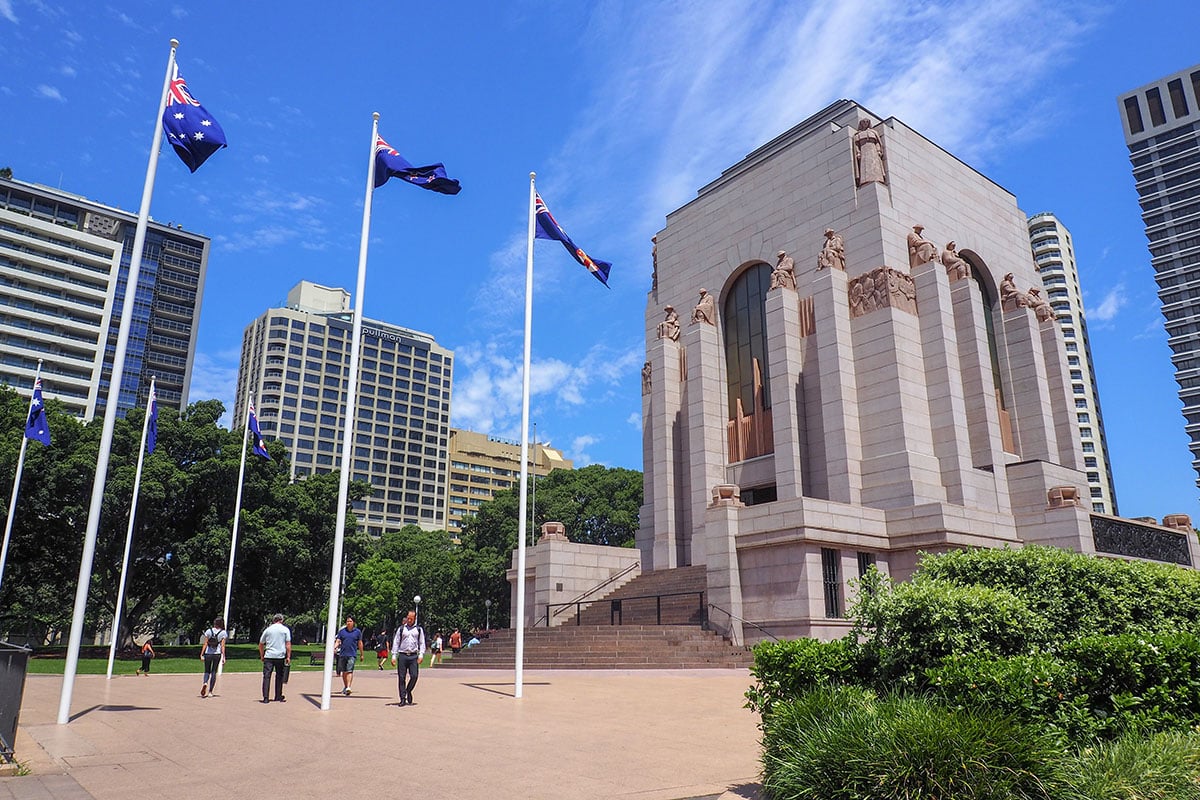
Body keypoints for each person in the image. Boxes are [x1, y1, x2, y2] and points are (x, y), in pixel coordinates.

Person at [391, 611, 425, 706]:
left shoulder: (418, 629)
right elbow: (396, 642)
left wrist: (421, 654)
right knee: (401, 677)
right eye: (408, 618)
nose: (409, 620)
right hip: (402, 655)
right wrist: (394, 655)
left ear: (415, 618)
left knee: (414, 676)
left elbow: (422, 643)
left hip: (413, 656)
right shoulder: (401, 629)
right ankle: (402, 698)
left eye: (411, 618)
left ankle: (408, 690)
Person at [257, 613, 291, 703]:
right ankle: (278, 695)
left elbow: (261, 644)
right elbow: (288, 644)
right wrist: (288, 656)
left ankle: (265, 697)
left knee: (267, 676)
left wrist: (262, 655)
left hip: (269, 655)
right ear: (282, 620)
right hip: (280, 655)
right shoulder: (285, 630)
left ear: (273, 620)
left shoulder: (268, 630)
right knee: (279, 676)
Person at [334, 616, 364, 696]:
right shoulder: (342, 632)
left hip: (352, 654)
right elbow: (338, 640)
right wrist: (335, 647)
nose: (348, 623)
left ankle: (348, 687)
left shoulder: (357, 632)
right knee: (344, 672)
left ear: (353, 622)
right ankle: (345, 686)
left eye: (350, 621)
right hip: (343, 654)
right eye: (347, 621)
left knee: (349, 670)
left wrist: (361, 654)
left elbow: (360, 643)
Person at [198, 617, 227, 697]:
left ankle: (205, 682)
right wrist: (224, 656)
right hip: (217, 654)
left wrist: (201, 654)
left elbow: (205, 643)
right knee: (214, 671)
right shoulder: (223, 633)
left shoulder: (209, 631)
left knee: (207, 670)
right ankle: (210, 691)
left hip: (208, 653)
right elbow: (223, 646)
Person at [853, 118, 887, 186]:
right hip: (863, 150)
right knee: (865, 165)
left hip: (873, 150)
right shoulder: (858, 134)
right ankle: (865, 180)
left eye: (867, 122)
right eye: (864, 122)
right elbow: (856, 145)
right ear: (861, 124)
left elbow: (877, 142)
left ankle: (878, 178)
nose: (865, 123)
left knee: (874, 164)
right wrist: (858, 152)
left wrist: (878, 150)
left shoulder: (873, 132)